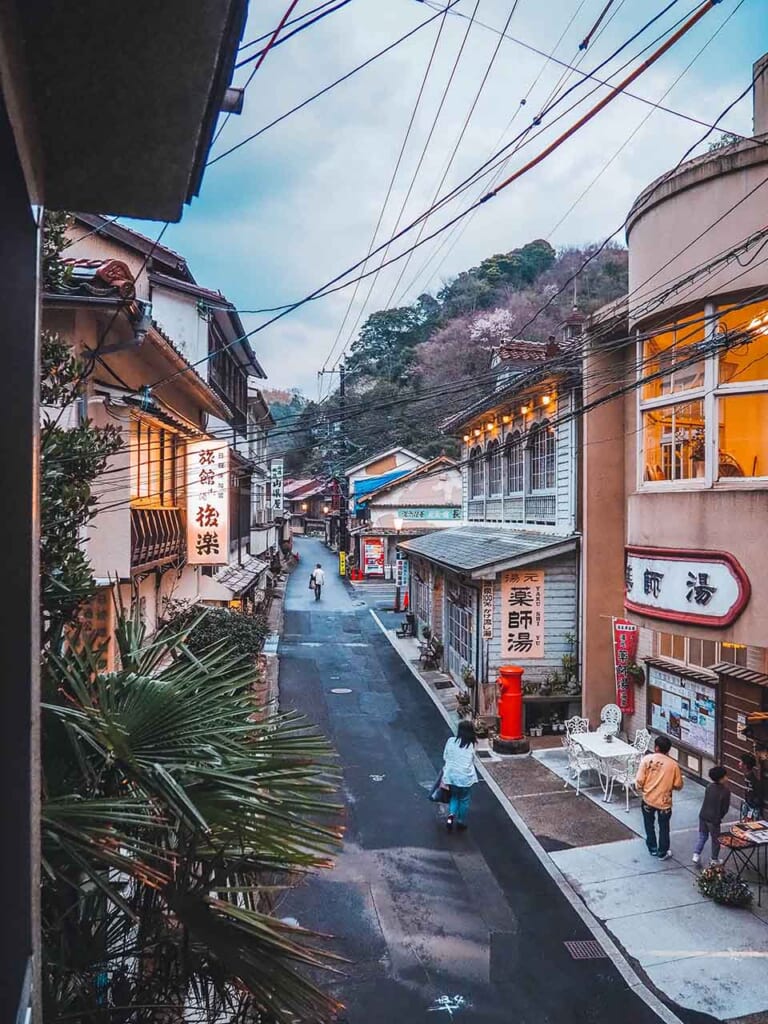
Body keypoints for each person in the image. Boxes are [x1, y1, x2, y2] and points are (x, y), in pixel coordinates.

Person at [635, 734, 684, 860]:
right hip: (664, 802)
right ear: (668, 750)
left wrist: (641, 789)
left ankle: (652, 848)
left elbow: (639, 780)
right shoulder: (673, 765)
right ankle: (662, 852)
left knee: (648, 824)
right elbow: (678, 785)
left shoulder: (647, 760)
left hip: (648, 799)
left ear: (656, 747)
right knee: (664, 827)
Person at [441, 720, 478, 832]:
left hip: (451, 775)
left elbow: (445, 757)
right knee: (464, 799)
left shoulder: (451, 741)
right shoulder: (472, 745)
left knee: (454, 796)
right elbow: (472, 760)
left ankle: (451, 815)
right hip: (465, 777)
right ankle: (461, 821)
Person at [692, 766, 730, 867]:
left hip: (703, 815)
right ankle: (714, 859)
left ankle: (696, 854)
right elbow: (725, 808)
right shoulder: (725, 791)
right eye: (725, 776)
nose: (727, 777)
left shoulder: (709, 786)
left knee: (702, 836)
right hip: (714, 819)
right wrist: (720, 816)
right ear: (721, 778)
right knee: (715, 839)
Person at [739, 752, 764, 820]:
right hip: (748, 804)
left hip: (752, 808)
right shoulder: (747, 776)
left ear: (745, 765)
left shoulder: (753, 780)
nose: (739, 763)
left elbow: (758, 795)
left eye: (741, 762)